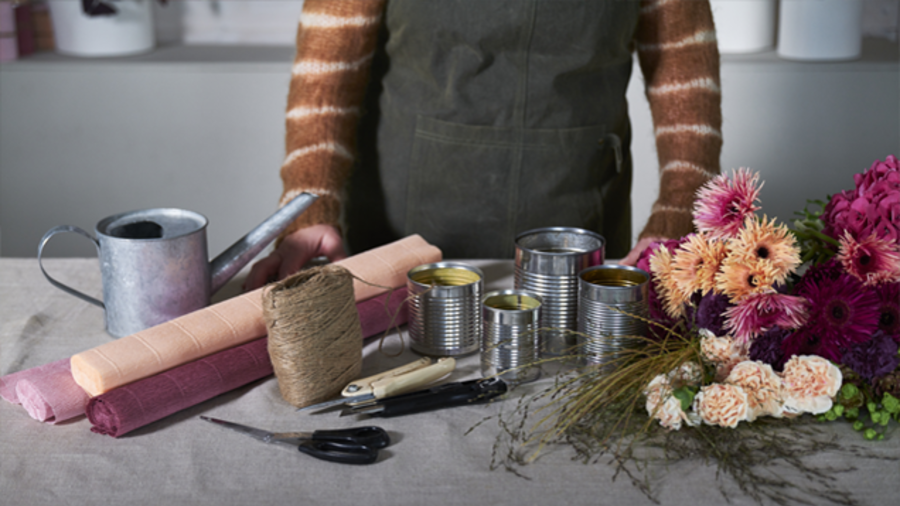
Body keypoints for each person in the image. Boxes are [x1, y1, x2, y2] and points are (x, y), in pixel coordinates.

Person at [245, 0, 722, 290]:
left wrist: (681, 213)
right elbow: (328, 71)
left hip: (577, 222)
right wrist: (311, 206)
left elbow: (685, 67)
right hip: (406, 229)